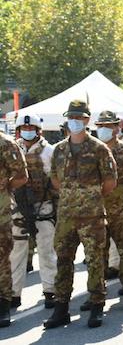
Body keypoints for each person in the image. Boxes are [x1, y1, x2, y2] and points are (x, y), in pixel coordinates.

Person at [44, 100, 118, 329]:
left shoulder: (98, 148)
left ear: (87, 120)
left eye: (79, 117)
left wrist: (90, 198)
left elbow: (110, 182)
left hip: (92, 216)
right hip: (66, 215)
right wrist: (72, 197)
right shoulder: (59, 150)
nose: (75, 121)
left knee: (95, 261)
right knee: (63, 260)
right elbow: (55, 180)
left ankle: (96, 306)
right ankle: (61, 308)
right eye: (71, 117)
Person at [87, 110, 123, 311]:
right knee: (96, 255)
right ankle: (96, 294)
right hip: (96, 211)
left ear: (116, 128)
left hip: (121, 210)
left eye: (108, 126)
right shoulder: (90, 151)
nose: (104, 130)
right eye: (100, 126)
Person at [10, 113, 58, 310]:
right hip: (18, 207)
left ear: (39, 131)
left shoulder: (49, 152)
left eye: (31, 129)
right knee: (16, 251)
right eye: (24, 129)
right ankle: (12, 294)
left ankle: (50, 290)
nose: (27, 132)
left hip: (43, 206)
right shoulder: (13, 150)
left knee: (46, 250)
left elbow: (56, 182)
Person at [0, 131, 28, 327]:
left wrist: (4, 188)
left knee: (1, 259)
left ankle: (3, 305)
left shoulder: (5, 143)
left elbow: (21, 176)